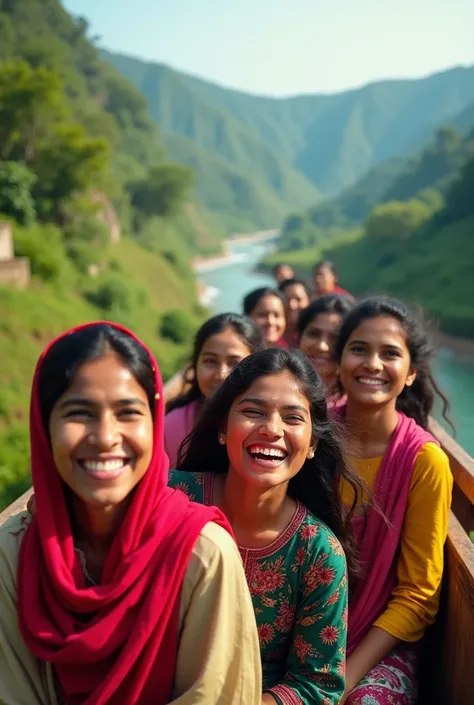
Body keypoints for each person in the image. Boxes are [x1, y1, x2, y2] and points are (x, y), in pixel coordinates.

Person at [0, 322, 262, 705]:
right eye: (79, 413)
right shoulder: (13, 554)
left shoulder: (201, 555)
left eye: (128, 412)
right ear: (44, 428)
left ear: (155, 424)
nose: (105, 437)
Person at [170, 347, 365, 705]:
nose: (272, 429)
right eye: (253, 412)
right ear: (223, 430)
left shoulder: (319, 554)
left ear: (312, 445)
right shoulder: (172, 498)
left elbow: (317, 684)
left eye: (293, 418)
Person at [334, 297, 453, 705]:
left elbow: (417, 596)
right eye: (359, 349)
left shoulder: (423, 461)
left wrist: (345, 679)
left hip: (380, 642)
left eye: (390, 354)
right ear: (339, 361)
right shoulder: (312, 437)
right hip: (304, 627)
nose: (373, 364)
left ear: (410, 373)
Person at [165, 313, 263, 467]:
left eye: (234, 363)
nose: (220, 375)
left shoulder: (266, 429)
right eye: (210, 361)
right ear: (195, 364)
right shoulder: (172, 426)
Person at [298, 294, 354, 405]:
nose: (322, 346)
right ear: (300, 336)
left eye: (335, 338)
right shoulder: (275, 389)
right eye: (314, 334)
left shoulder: (354, 406)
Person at [278, 277, 311, 346]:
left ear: (309, 300)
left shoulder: (317, 334)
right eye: (287, 299)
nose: (292, 305)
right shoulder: (269, 336)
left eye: (298, 299)